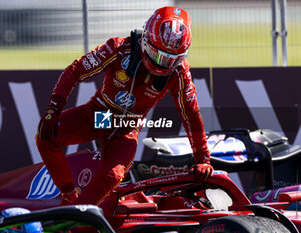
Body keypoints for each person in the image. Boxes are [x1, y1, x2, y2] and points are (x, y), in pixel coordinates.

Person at [36, 6, 213, 206]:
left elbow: (191, 113)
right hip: (98, 116)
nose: (163, 65)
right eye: (159, 56)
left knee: (112, 176)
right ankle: (69, 195)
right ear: (146, 39)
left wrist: (202, 159)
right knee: (45, 137)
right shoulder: (118, 48)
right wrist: (53, 110)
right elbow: (75, 70)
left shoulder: (180, 72)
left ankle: (76, 222)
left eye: (171, 59)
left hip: (127, 129)